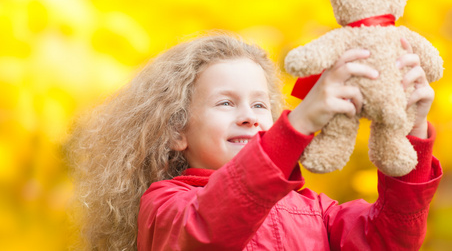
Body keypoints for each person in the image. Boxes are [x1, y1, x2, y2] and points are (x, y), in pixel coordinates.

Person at [67, 33, 442, 251]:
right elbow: (209, 228)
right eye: (226, 103)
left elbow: (391, 237)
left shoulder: (314, 210)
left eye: (260, 104)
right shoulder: (165, 206)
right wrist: (299, 125)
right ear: (176, 132)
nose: (248, 115)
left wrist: (413, 128)